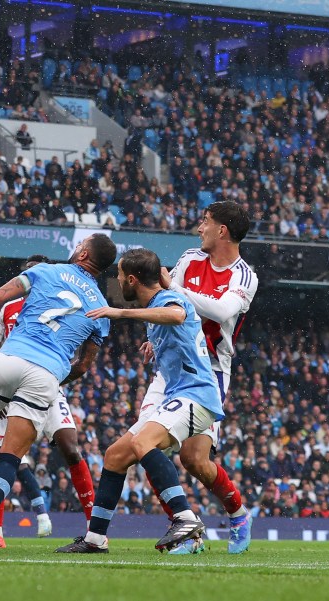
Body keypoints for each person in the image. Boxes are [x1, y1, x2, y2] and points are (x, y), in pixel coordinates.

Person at [0, 234, 116, 550]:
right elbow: (85, 365)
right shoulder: (101, 308)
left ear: (84, 252)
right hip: (46, 374)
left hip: (11, 358)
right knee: (10, 456)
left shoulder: (47, 272)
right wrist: (54, 377)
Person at [56, 248, 219, 553]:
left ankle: (184, 517)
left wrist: (119, 313)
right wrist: (155, 341)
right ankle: (96, 539)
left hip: (196, 395)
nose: (117, 281)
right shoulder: (159, 301)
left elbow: (177, 314)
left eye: (119, 276)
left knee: (143, 443)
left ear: (131, 280)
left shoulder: (168, 301)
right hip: (180, 395)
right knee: (115, 455)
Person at [149, 201, 258, 554]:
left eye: (205, 222)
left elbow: (222, 310)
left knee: (194, 460)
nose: (199, 228)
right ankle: (185, 527)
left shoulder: (244, 276)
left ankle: (239, 514)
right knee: (143, 445)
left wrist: (177, 292)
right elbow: (167, 298)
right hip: (170, 366)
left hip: (209, 371)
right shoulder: (190, 258)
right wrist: (156, 332)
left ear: (222, 230)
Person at [0, 255, 97, 544]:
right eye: (27, 274)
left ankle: (95, 526)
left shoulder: (65, 307)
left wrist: (56, 379)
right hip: (11, 385)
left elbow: (80, 360)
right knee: (3, 454)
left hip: (49, 384)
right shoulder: (8, 308)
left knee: (71, 447)